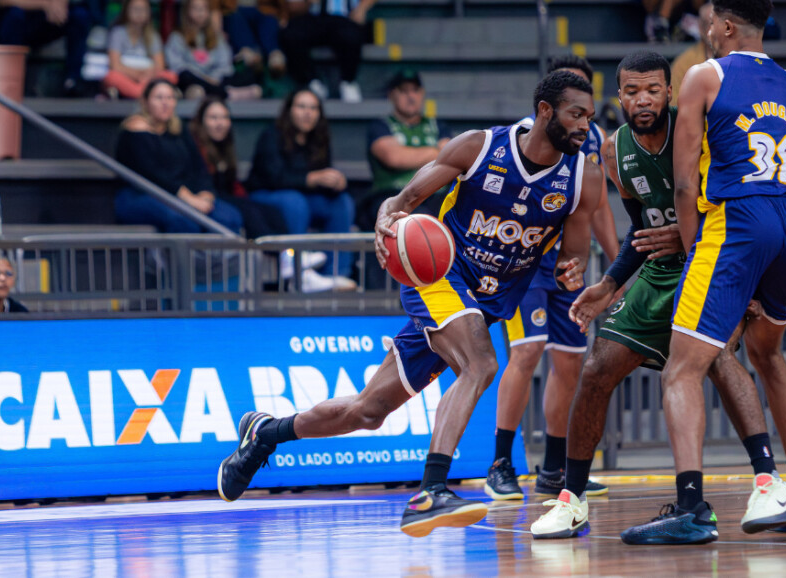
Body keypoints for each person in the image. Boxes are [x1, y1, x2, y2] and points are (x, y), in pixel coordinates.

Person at [216, 70, 603, 538]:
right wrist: (386, 222)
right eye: (576, 115)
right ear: (545, 111)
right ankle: (430, 491)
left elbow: (572, 255)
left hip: (483, 303)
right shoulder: (480, 147)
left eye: (589, 116)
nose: (585, 126)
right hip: (439, 276)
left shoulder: (583, 176)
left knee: (368, 411)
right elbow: (401, 201)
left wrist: (573, 270)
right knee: (481, 364)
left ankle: (265, 433)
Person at [530, 47, 786, 542]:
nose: (643, 99)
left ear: (670, 91)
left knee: (719, 358)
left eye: (653, 89)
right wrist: (608, 284)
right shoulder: (615, 151)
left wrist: (722, 260)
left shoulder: (699, 128)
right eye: (632, 91)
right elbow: (642, 231)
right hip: (659, 273)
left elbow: (733, 204)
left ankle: (768, 483)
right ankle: (570, 500)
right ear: (619, 96)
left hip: (713, 258)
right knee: (597, 367)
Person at [618, 0, 786, 545]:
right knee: (767, 354)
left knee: (681, 370)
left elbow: (684, 183)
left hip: (737, 222)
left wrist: (695, 254)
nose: (706, 32)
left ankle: (691, 509)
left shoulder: (705, 75)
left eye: (708, 24)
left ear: (725, 26)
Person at [484, 55, 619, 502]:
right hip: (526, 261)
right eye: (571, 103)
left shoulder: (591, 140)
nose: (580, 116)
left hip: (568, 265)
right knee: (527, 351)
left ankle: (554, 468)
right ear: (550, 103)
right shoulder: (528, 134)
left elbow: (598, 206)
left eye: (585, 106)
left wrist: (618, 266)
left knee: (570, 362)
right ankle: (500, 463)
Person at [245, 88, 356, 290]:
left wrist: (335, 184)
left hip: (304, 198)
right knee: (294, 202)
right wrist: (311, 178)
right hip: (264, 196)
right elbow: (272, 177)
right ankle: (299, 272)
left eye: (313, 108)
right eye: (301, 107)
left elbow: (321, 181)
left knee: (341, 203)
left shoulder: (319, 139)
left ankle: (336, 274)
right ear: (289, 110)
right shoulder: (271, 135)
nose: (308, 113)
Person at [114, 78, 244, 234]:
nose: (165, 103)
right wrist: (188, 198)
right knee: (185, 220)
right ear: (146, 102)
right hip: (142, 194)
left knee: (230, 217)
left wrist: (206, 193)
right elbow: (151, 174)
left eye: (170, 98)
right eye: (159, 98)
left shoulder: (180, 129)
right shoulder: (135, 131)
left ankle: (215, 252)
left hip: (183, 195)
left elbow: (199, 167)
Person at [360, 69, 451, 232]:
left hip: (435, 196)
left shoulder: (439, 126)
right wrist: (434, 152)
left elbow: (452, 158)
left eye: (415, 90)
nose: (411, 96)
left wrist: (412, 155)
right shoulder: (380, 126)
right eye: (404, 91)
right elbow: (394, 158)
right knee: (418, 221)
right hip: (393, 196)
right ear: (391, 95)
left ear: (422, 93)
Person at [190, 97, 289, 238]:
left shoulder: (225, 146)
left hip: (227, 195)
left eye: (224, 117)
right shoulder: (194, 146)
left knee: (273, 212)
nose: (220, 123)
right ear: (201, 121)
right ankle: (269, 249)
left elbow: (232, 184)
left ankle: (287, 250)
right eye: (213, 118)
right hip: (208, 198)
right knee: (249, 212)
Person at [278, 0, 376, 103]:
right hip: (314, 18)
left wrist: (361, 9)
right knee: (290, 35)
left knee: (351, 36)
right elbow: (294, 7)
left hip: (345, 18)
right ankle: (312, 81)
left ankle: (348, 82)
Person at [165, 0, 261, 101]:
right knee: (185, 76)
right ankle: (226, 94)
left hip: (216, 79)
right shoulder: (177, 37)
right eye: (195, 8)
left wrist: (214, 78)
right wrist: (204, 78)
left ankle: (217, 91)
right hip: (193, 80)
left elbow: (225, 64)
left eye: (203, 9)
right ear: (186, 11)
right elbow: (177, 67)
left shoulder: (217, 37)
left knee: (247, 72)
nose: (200, 13)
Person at [0, 0, 96, 95]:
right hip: (19, 22)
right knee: (14, 15)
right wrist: (46, 4)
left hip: (49, 20)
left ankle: (72, 82)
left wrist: (60, 3)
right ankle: (12, 81)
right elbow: (2, 2)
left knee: (80, 15)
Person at [102, 0, 178, 100]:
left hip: (147, 78)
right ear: (126, 11)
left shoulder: (153, 35)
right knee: (111, 76)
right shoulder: (117, 33)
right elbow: (115, 65)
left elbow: (160, 66)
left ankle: (139, 92)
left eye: (143, 9)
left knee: (171, 76)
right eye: (135, 9)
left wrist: (146, 75)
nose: (139, 13)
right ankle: (144, 93)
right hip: (125, 76)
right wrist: (137, 74)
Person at [671, 1, 713, 103]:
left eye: (715, 23)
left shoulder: (739, 57)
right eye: (707, 24)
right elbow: (675, 104)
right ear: (700, 28)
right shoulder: (684, 63)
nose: (711, 30)